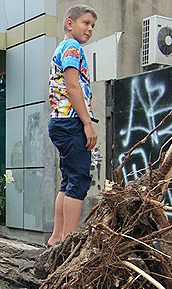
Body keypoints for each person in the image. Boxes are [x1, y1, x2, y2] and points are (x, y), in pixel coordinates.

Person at [46, 4, 98, 246]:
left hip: (61, 122)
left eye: (92, 26)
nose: (89, 29)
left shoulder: (64, 48)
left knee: (68, 181)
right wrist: (87, 123)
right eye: (85, 23)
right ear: (70, 23)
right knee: (78, 180)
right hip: (71, 122)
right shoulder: (72, 47)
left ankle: (57, 238)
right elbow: (72, 86)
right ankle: (68, 241)